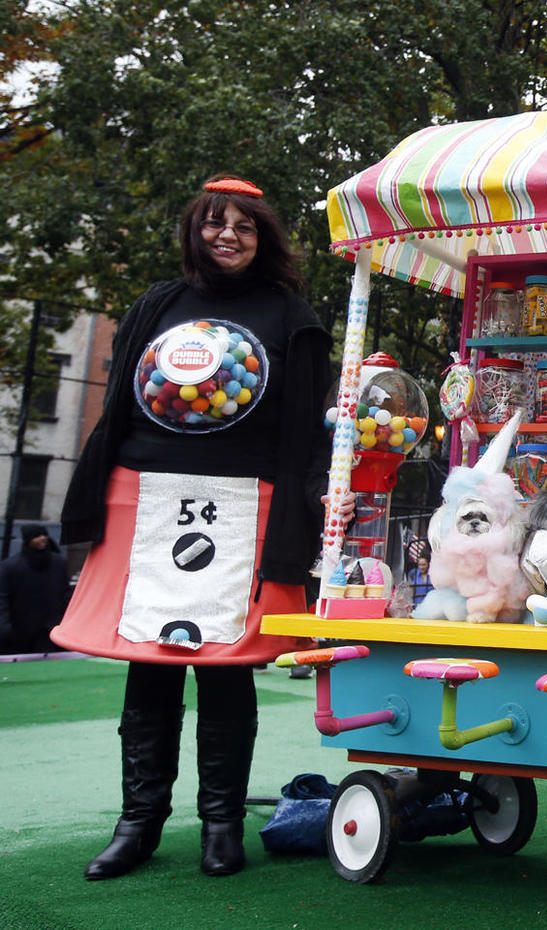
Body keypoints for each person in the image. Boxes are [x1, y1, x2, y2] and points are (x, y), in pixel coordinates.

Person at [51, 175, 352, 881]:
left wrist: (301, 514)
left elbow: (308, 430)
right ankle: (139, 823)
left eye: (244, 227)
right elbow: (120, 404)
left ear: (263, 239)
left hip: (245, 502)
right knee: (149, 666)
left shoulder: (291, 316)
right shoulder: (159, 304)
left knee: (225, 669)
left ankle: (220, 824)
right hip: (147, 496)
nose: (228, 236)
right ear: (196, 230)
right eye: (215, 223)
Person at [0, 524, 70, 653]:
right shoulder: (10, 566)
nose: (42, 538)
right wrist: (5, 627)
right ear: (28, 540)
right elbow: (3, 598)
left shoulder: (59, 564)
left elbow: (65, 594)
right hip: (21, 631)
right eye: (37, 536)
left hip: (51, 629)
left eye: (44, 535)